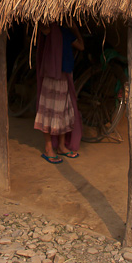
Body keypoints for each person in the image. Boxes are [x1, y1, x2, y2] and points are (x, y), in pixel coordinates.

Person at [34, 22, 84, 164]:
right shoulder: (48, 29)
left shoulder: (66, 33)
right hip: (51, 76)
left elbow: (81, 46)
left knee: (63, 112)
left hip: (64, 76)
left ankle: (61, 146)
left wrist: (74, 29)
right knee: (48, 112)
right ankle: (48, 148)